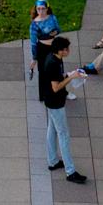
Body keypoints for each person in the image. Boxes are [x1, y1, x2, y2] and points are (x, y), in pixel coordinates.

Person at [36, 35, 86, 184]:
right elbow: (56, 87)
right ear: (61, 50)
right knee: (64, 135)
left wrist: (69, 74)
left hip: (52, 101)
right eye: (67, 49)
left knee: (52, 130)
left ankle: (52, 161)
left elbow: (57, 78)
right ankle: (70, 171)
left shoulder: (54, 58)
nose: (68, 51)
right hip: (55, 102)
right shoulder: (53, 63)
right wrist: (71, 78)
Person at [27, 0, 62, 80]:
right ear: (36, 9)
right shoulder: (34, 24)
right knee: (44, 71)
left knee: (56, 68)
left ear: (47, 9)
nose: (41, 11)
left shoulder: (52, 18)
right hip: (43, 49)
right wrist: (34, 57)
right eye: (38, 9)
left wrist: (56, 32)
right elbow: (33, 43)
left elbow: (58, 29)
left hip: (54, 47)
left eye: (43, 9)